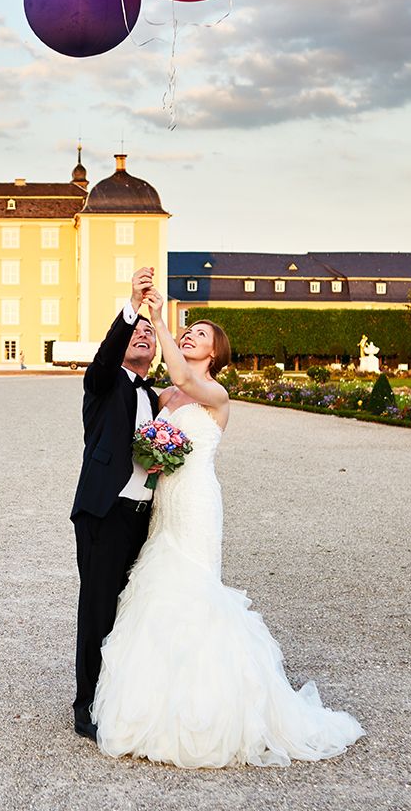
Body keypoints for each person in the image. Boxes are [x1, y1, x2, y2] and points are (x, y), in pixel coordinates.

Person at [92, 289, 365, 768]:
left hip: (196, 502)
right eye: (186, 332)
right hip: (165, 504)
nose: (188, 335)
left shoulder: (213, 394)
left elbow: (178, 372)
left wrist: (156, 314)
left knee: (193, 589)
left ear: (214, 354)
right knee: (156, 586)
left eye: (199, 334)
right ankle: (157, 702)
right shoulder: (166, 395)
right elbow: (131, 409)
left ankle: (211, 708)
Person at [70, 267, 160, 741]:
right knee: (99, 606)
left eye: (150, 332)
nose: (143, 334)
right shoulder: (105, 381)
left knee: (135, 609)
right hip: (105, 511)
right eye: (136, 330)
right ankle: (86, 702)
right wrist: (132, 305)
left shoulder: (156, 395)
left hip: (144, 516)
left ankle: (124, 693)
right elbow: (108, 354)